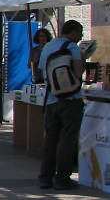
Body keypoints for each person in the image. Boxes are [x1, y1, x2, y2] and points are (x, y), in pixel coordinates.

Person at [37, 20, 84, 190]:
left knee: (50, 140)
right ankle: (62, 179)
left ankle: (45, 178)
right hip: (71, 100)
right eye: (80, 33)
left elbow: (42, 72)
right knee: (67, 139)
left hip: (51, 100)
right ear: (73, 32)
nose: (81, 37)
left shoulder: (48, 47)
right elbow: (78, 71)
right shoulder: (72, 47)